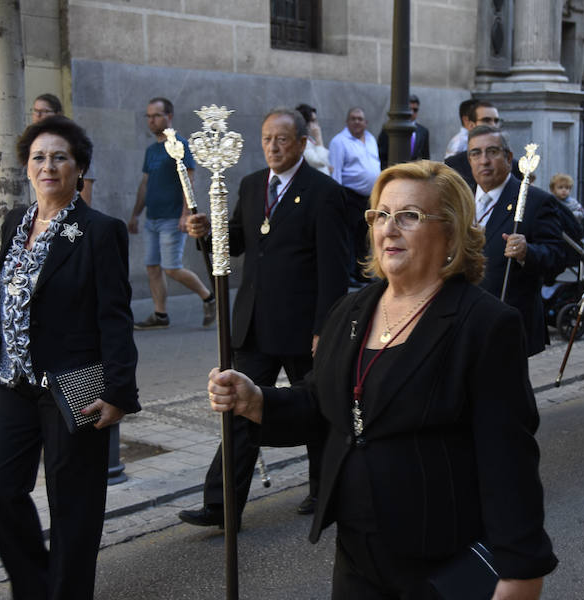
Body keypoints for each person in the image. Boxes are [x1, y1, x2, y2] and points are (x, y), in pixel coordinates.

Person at [206, 160, 558, 598]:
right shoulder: (351, 310)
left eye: (409, 216)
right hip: (357, 555)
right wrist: (257, 400)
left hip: (441, 560)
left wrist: (519, 570)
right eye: (381, 215)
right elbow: (323, 404)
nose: (389, 229)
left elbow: (508, 458)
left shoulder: (484, 325)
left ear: (450, 233)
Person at [0, 116, 140, 599]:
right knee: (0, 488)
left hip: (75, 383)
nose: (48, 166)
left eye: (59, 157)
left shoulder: (98, 231)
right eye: (38, 157)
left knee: (74, 506)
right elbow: (2, 296)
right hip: (13, 381)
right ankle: (34, 588)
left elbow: (114, 316)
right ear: (27, 167)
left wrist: (117, 392)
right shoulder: (16, 221)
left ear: (78, 168)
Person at [180, 107, 349, 526]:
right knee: (238, 406)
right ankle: (221, 504)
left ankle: (324, 490)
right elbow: (236, 243)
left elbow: (334, 266)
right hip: (255, 322)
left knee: (318, 409)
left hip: (303, 326)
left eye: (283, 139)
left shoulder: (323, 192)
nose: (273, 147)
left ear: (302, 144)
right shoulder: (254, 185)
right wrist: (209, 230)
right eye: (267, 139)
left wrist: (324, 327)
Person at [468, 125, 564, 356]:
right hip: (466, 317)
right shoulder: (460, 199)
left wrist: (526, 252)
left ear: (508, 157)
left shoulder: (535, 201)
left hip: (508, 319)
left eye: (492, 152)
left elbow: (556, 256)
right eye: (476, 153)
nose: (484, 161)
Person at [128, 97, 215, 329]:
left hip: (172, 218)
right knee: (152, 267)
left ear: (169, 116)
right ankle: (160, 315)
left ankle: (209, 297)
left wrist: (185, 214)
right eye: (148, 116)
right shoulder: (151, 151)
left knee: (171, 267)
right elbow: (145, 183)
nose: (151, 120)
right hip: (152, 219)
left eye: (156, 115)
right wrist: (136, 214)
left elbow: (189, 179)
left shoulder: (180, 145)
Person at [329, 106, 381, 285]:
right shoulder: (339, 141)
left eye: (360, 119)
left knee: (364, 237)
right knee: (349, 237)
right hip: (349, 196)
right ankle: (349, 274)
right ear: (347, 121)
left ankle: (362, 272)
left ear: (366, 123)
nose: (357, 121)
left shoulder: (371, 139)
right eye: (353, 118)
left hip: (369, 197)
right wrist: (338, 200)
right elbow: (335, 172)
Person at [30, 93, 95, 204]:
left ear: (58, 114)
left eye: (44, 111)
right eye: (36, 111)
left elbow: (85, 184)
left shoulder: (72, 140)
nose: (38, 115)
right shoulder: (30, 143)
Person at [377, 94, 431, 167]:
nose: (412, 113)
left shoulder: (423, 131)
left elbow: (425, 157)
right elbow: (381, 154)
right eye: (409, 109)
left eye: (415, 110)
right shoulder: (390, 128)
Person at [295, 103, 333, 176]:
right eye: (313, 121)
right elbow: (320, 162)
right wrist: (318, 138)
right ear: (304, 123)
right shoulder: (301, 143)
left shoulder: (310, 140)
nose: (316, 124)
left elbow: (326, 160)